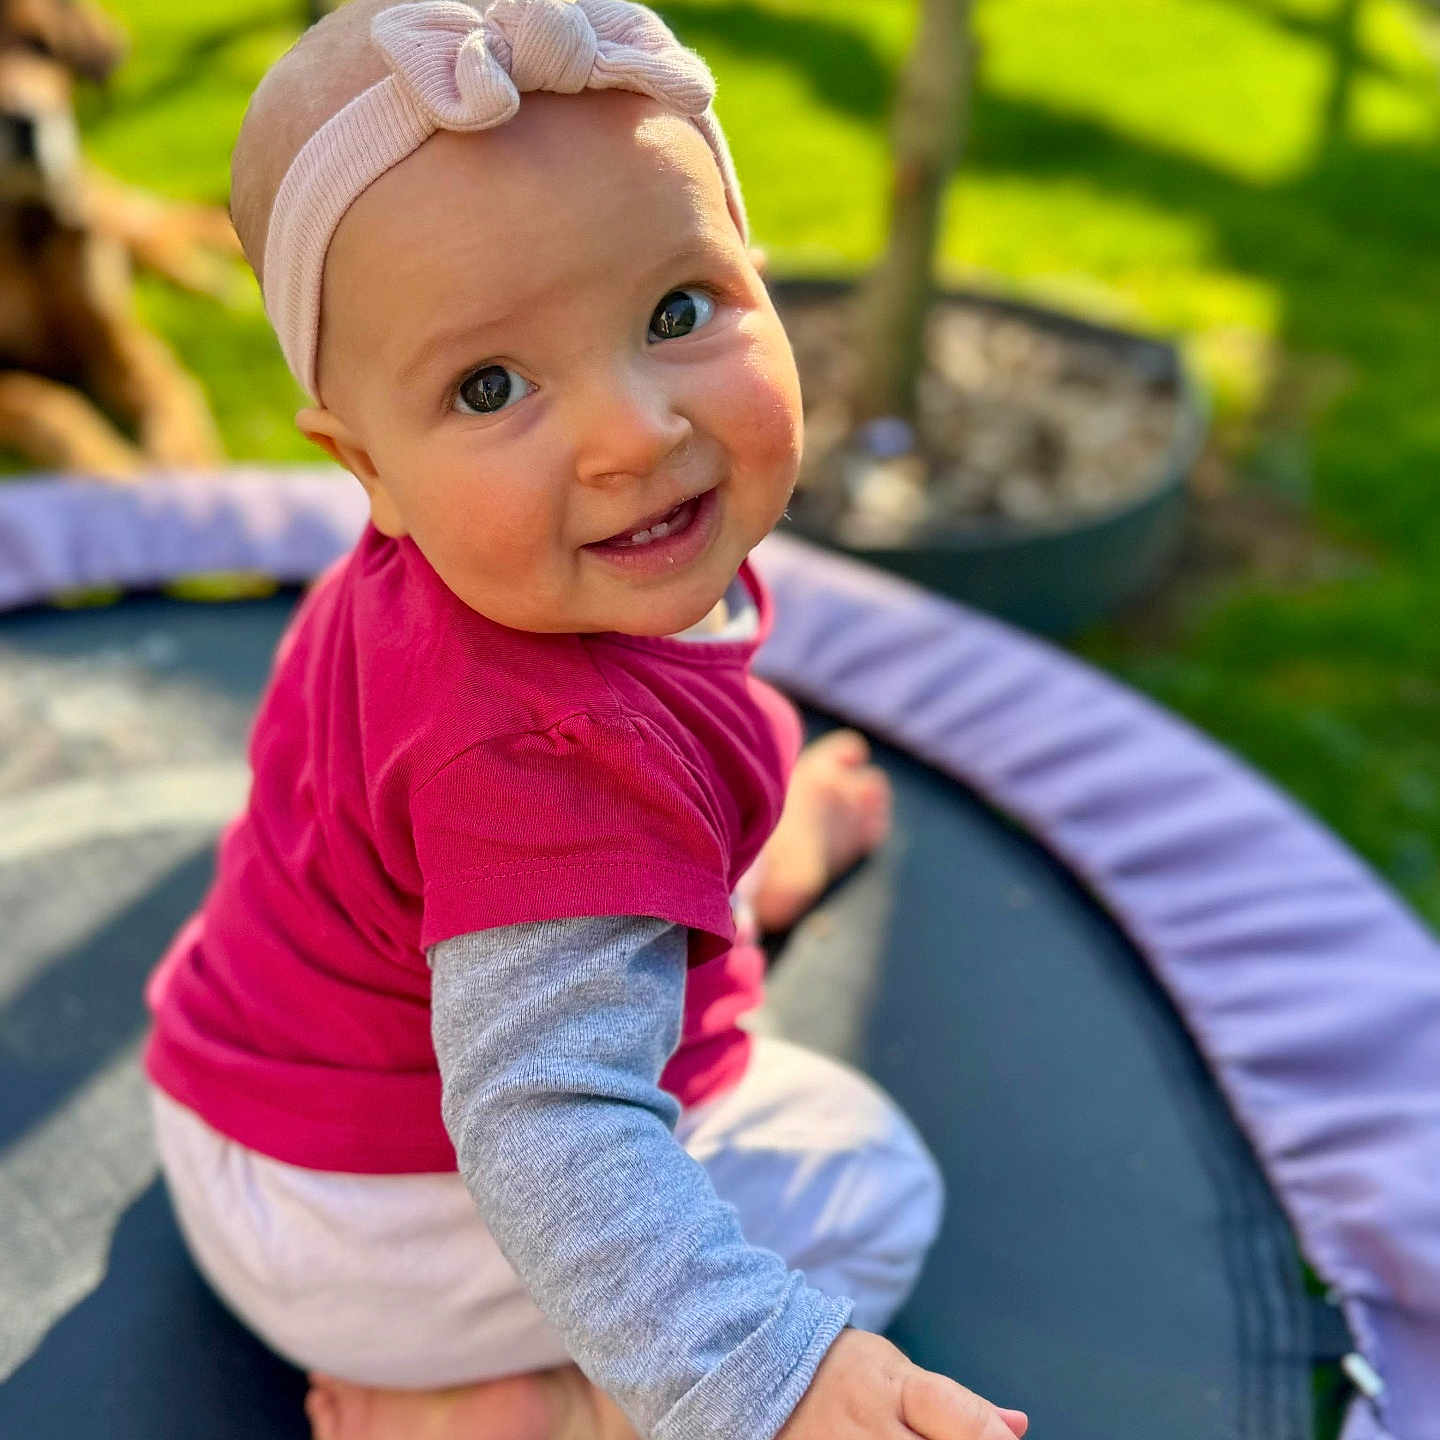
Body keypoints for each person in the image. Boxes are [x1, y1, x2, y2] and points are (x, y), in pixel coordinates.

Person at [143, 3, 1030, 1438]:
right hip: (382, 1227)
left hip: (248, 1103)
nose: (632, 434)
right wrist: (765, 1370)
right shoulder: (552, 754)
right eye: (492, 386)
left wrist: (732, 867)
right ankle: (527, 1410)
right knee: (870, 1181)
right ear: (368, 463)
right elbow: (551, 1130)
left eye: (679, 312)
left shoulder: (434, 563)